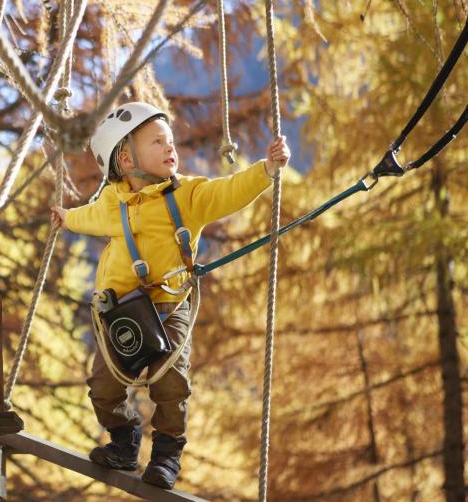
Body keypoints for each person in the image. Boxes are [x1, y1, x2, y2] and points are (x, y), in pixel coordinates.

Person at [50, 101, 290, 489]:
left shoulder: (187, 196)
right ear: (126, 161)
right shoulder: (113, 202)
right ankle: (124, 438)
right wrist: (66, 216)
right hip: (121, 311)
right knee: (103, 385)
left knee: (172, 384)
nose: (170, 148)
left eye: (170, 140)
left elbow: (228, 192)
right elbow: (89, 217)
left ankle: (165, 453)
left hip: (169, 305)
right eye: (157, 142)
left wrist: (266, 170)